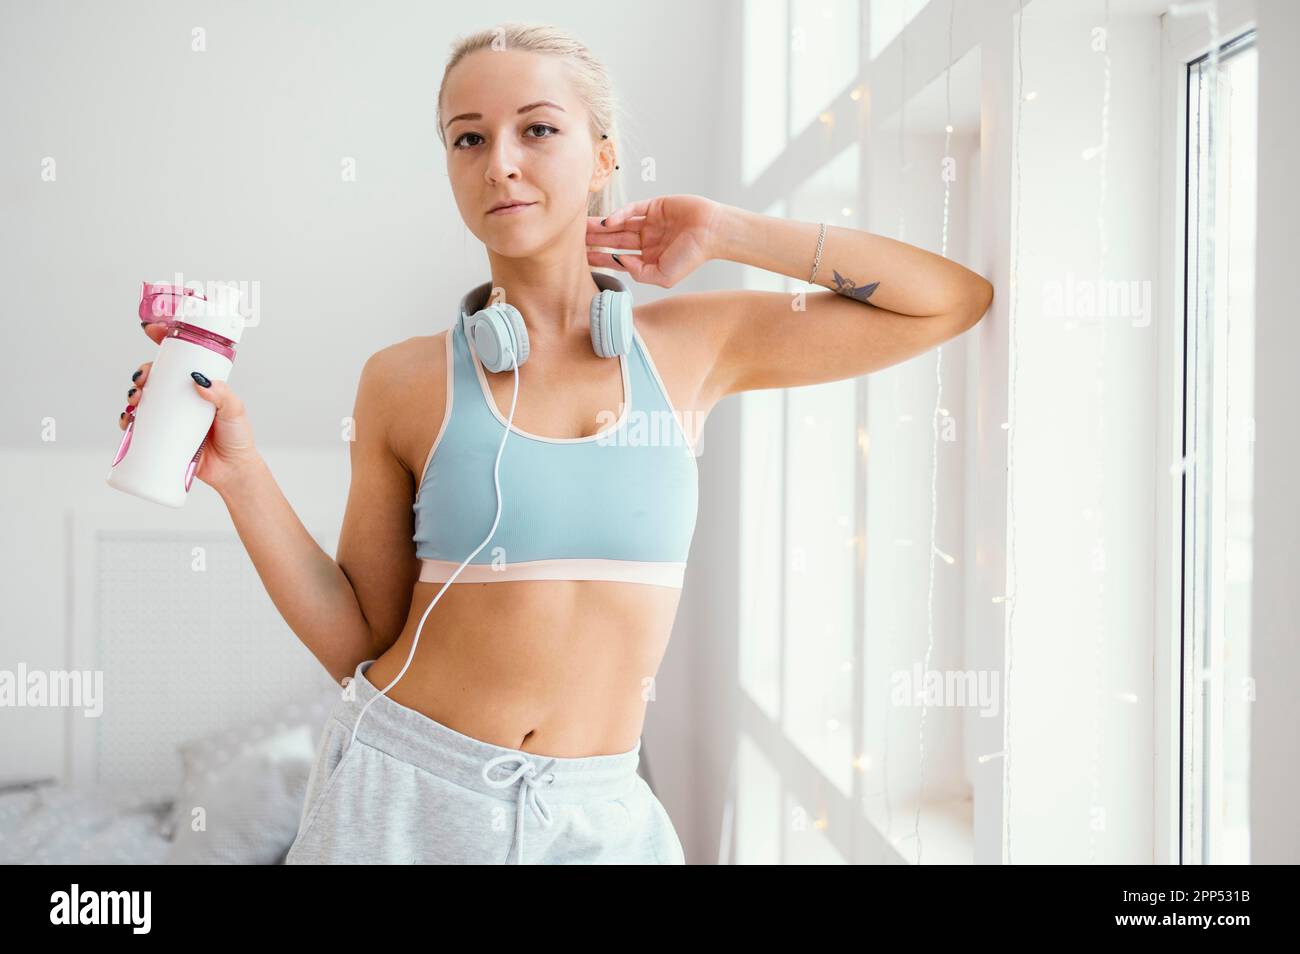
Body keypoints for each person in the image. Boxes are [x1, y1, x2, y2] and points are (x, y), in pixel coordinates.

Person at [120, 21, 993, 865]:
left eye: (538, 128)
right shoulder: (402, 382)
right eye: (467, 139)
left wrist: (728, 230)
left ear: (604, 154)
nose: (500, 161)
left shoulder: (696, 347)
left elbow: (948, 299)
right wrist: (241, 476)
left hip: (598, 818)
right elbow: (359, 638)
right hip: (402, 795)